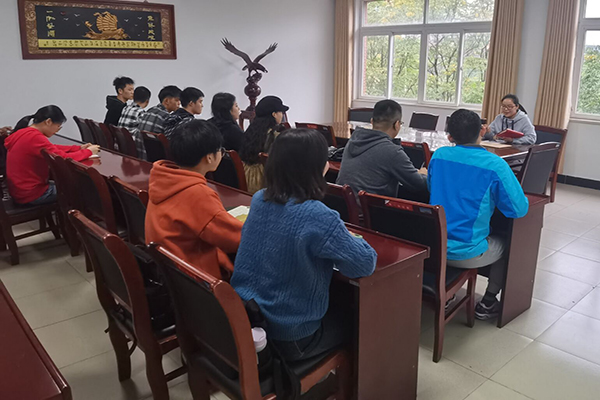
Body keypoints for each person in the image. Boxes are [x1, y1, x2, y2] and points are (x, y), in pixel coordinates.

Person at [232, 129, 377, 362]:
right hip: (290, 337)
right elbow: (364, 264)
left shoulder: (259, 198)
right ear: (316, 169)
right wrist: (351, 237)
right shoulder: (318, 215)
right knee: (364, 321)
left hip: (246, 319)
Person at [428, 109, 529, 320]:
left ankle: (446, 294)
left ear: (450, 136)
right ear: (482, 131)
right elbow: (518, 209)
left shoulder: (439, 156)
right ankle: (488, 302)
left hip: (434, 246)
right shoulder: (495, 165)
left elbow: (431, 188)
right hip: (467, 252)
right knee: (510, 242)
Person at [145, 119, 243, 278]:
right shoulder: (198, 194)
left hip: (172, 272)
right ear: (209, 157)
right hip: (197, 277)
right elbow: (235, 238)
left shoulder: (163, 179)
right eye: (221, 150)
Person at [5, 105, 99, 205]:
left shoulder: (24, 132)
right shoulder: (35, 137)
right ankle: (75, 214)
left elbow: (51, 148)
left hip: (20, 190)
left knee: (68, 183)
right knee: (82, 189)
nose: (56, 131)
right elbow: (62, 158)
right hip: (31, 194)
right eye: (58, 127)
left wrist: (78, 148)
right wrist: (89, 152)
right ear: (48, 121)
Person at [336, 99, 428, 199]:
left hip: (342, 204)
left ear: (371, 121)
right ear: (397, 125)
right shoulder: (392, 151)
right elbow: (418, 184)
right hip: (369, 207)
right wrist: (423, 174)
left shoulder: (353, 140)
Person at [239, 95, 289, 194]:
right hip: (263, 182)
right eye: (281, 112)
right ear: (274, 114)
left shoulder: (251, 130)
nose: (282, 115)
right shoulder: (274, 134)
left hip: (245, 176)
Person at [118, 86, 151, 160]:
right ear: (147, 101)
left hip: (120, 143)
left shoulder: (125, 108)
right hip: (132, 147)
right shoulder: (141, 113)